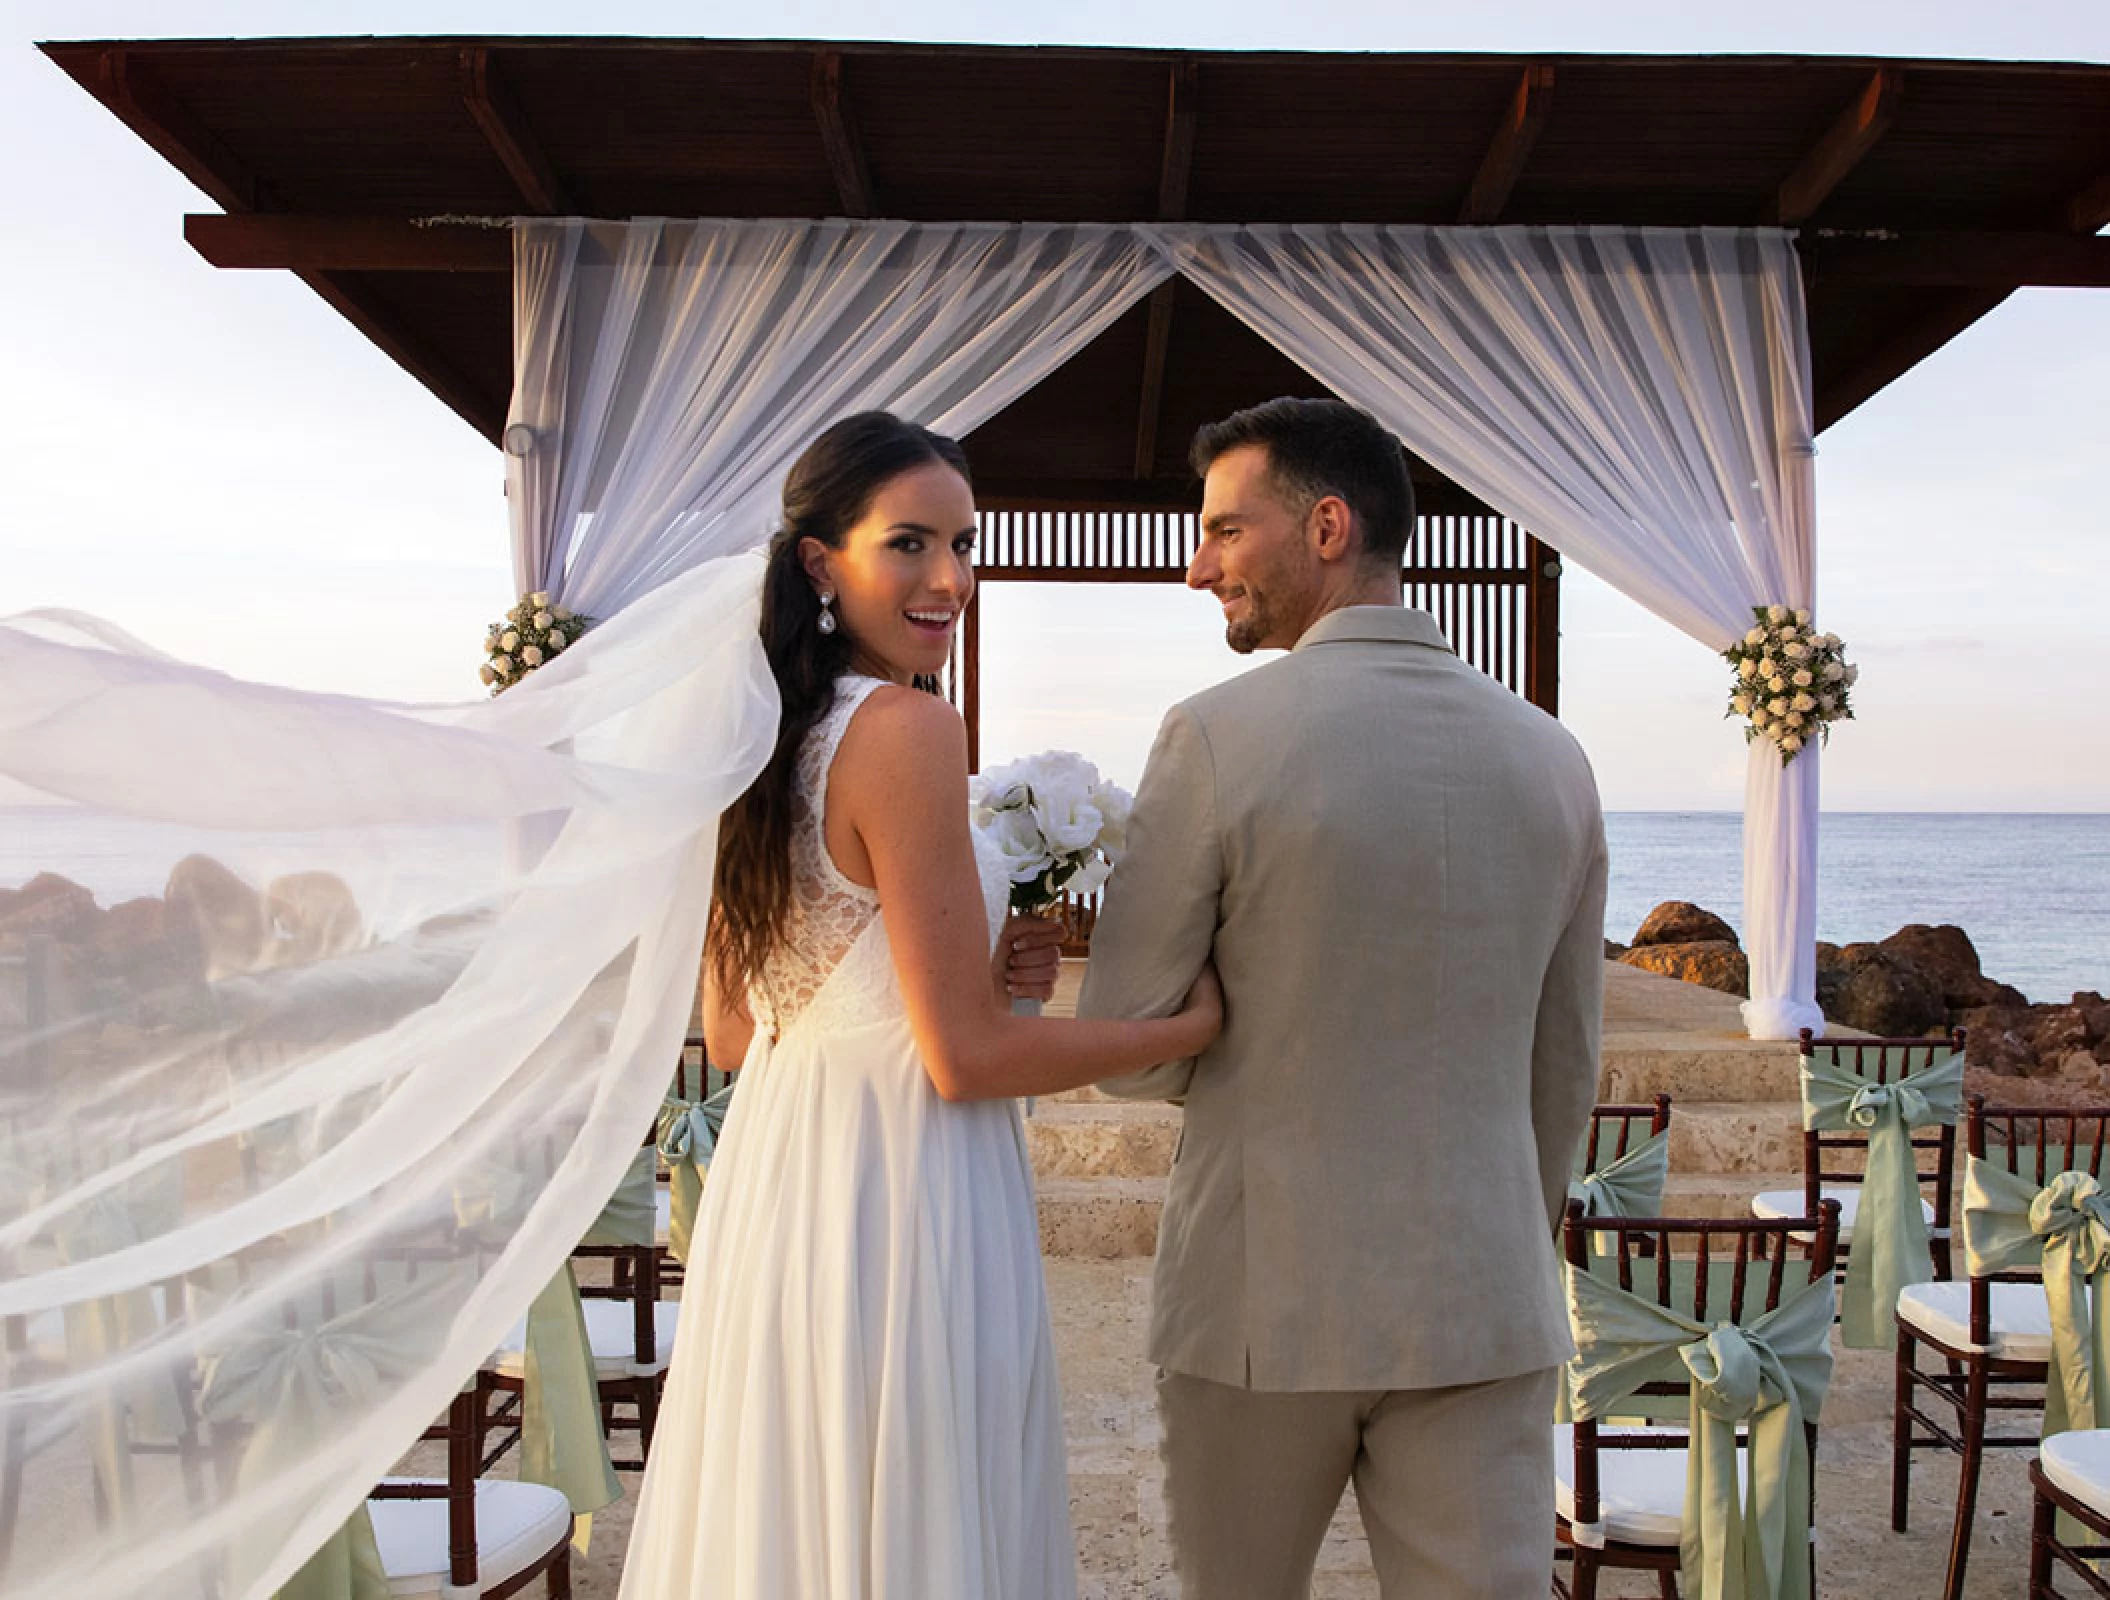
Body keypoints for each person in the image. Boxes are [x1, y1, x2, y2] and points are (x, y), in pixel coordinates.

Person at [619, 412, 1222, 1600]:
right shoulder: (903, 728)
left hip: (788, 1177)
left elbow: (743, 1035)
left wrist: (973, 966)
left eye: (962, 543)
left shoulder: (757, 740)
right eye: (908, 543)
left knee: (799, 1502)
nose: (949, 578)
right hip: (903, 1184)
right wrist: (1188, 1027)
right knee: (917, 1499)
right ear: (817, 562)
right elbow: (963, 1059)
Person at [1077, 397, 1606, 1599]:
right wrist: (1502, 1243)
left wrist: (1213, 1017)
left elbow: (1130, 1046)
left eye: (1222, 527)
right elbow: (1562, 1060)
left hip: (1261, 1302)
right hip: (1484, 1296)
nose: (1197, 563)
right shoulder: (1552, 755)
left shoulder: (1214, 737)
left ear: (1324, 526)